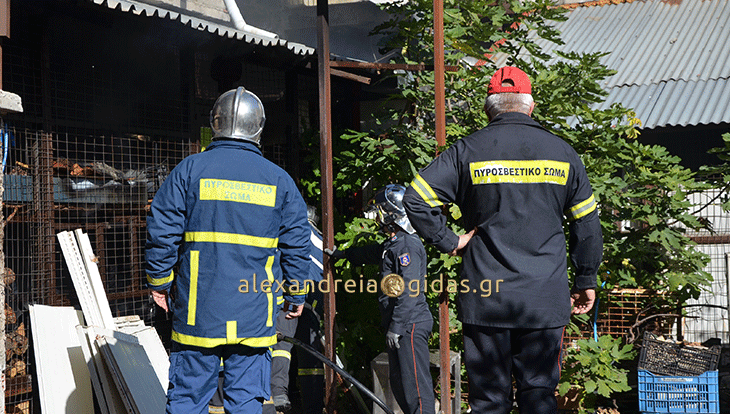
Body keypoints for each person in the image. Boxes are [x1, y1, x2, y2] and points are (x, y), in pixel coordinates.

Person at [403, 66, 603, 413]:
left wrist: (449, 240)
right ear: (531, 106)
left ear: (487, 108)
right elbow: (586, 225)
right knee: (539, 395)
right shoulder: (563, 153)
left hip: (486, 299)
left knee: (488, 401)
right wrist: (586, 278)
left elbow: (416, 198)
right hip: (543, 299)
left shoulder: (467, 151)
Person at [146, 86, 310, 414]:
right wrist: (296, 296)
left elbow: (161, 230)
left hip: (198, 312)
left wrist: (159, 283)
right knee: (247, 402)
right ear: (259, 128)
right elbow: (297, 245)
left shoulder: (189, 171)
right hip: (254, 315)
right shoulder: (279, 181)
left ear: (215, 123)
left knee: (187, 401)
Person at [328, 184, 435, 414]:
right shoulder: (394, 244)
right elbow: (373, 253)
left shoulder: (408, 246)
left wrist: (396, 326)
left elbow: (409, 291)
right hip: (399, 326)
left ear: (392, 213)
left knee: (415, 388)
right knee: (401, 386)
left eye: (380, 211)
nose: (378, 217)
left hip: (409, 325)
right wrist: (343, 254)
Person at [263, 204, 325, 414]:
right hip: (314, 300)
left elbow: (281, 263)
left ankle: (278, 393)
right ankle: (314, 402)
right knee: (310, 353)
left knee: (282, 343)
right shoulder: (322, 238)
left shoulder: (292, 232)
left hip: (291, 296)